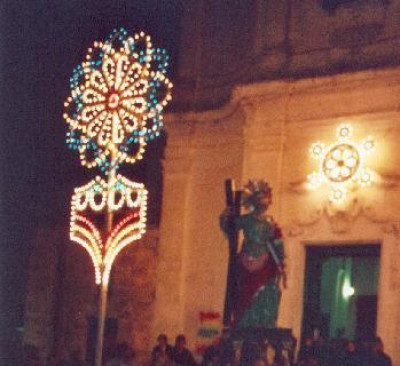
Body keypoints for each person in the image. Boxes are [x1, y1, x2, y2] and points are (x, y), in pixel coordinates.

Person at [220, 180, 286, 328]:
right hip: (246, 258)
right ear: (254, 200)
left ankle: (265, 320)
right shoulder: (247, 219)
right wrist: (227, 213)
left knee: (269, 289)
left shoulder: (271, 222)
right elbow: (229, 227)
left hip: (265, 259)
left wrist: (282, 264)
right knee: (243, 291)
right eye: (261, 197)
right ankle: (245, 320)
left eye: (266, 197)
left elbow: (277, 243)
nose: (264, 200)